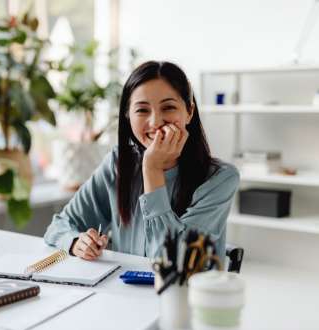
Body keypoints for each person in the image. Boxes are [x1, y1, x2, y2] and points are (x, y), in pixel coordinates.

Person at [44, 60, 239, 263]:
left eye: (169, 107)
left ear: (189, 112)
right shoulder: (118, 163)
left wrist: (152, 169)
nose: (155, 122)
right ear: (128, 115)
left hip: (185, 293)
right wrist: (76, 242)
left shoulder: (221, 178)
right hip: (122, 291)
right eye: (142, 110)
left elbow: (171, 263)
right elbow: (59, 226)